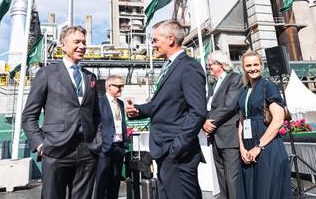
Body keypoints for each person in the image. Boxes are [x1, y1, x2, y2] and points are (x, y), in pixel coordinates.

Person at [126, 19, 206, 199]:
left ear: (170, 39)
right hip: (165, 151)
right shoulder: (168, 67)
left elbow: (198, 111)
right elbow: (162, 105)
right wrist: (138, 110)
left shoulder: (188, 67)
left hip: (177, 153)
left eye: (155, 40)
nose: (153, 44)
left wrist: (177, 146)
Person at [22, 26, 102, 199]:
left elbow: (96, 115)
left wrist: (97, 141)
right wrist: (40, 144)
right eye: (77, 42)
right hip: (56, 149)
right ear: (63, 46)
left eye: (84, 42)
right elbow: (29, 116)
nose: (82, 46)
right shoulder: (47, 73)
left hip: (87, 150)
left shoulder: (90, 77)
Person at [236, 50, 291, 199]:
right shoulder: (243, 90)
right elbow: (241, 121)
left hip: (267, 148)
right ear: (244, 68)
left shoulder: (268, 86)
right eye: (248, 65)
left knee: (266, 192)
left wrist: (258, 147)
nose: (252, 68)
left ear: (261, 65)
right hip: (248, 149)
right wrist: (241, 148)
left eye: (255, 64)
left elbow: (278, 119)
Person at [202, 50, 242, 199]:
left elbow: (229, 106)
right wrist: (203, 124)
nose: (209, 67)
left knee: (232, 178)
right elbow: (208, 107)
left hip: (229, 137)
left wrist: (209, 122)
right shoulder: (213, 84)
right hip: (215, 137)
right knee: (221, 177)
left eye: (210, 64)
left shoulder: (234, 79)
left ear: (220, 64)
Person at [94, 75, 128, 199]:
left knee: (115, 185)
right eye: (118, 86)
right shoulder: (99, 102)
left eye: (122, 86)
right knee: (101, 186)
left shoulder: (120, 103)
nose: (121, 89)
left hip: (119, 147)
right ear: (109, 87)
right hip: (105, 149)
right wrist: (100, 145)